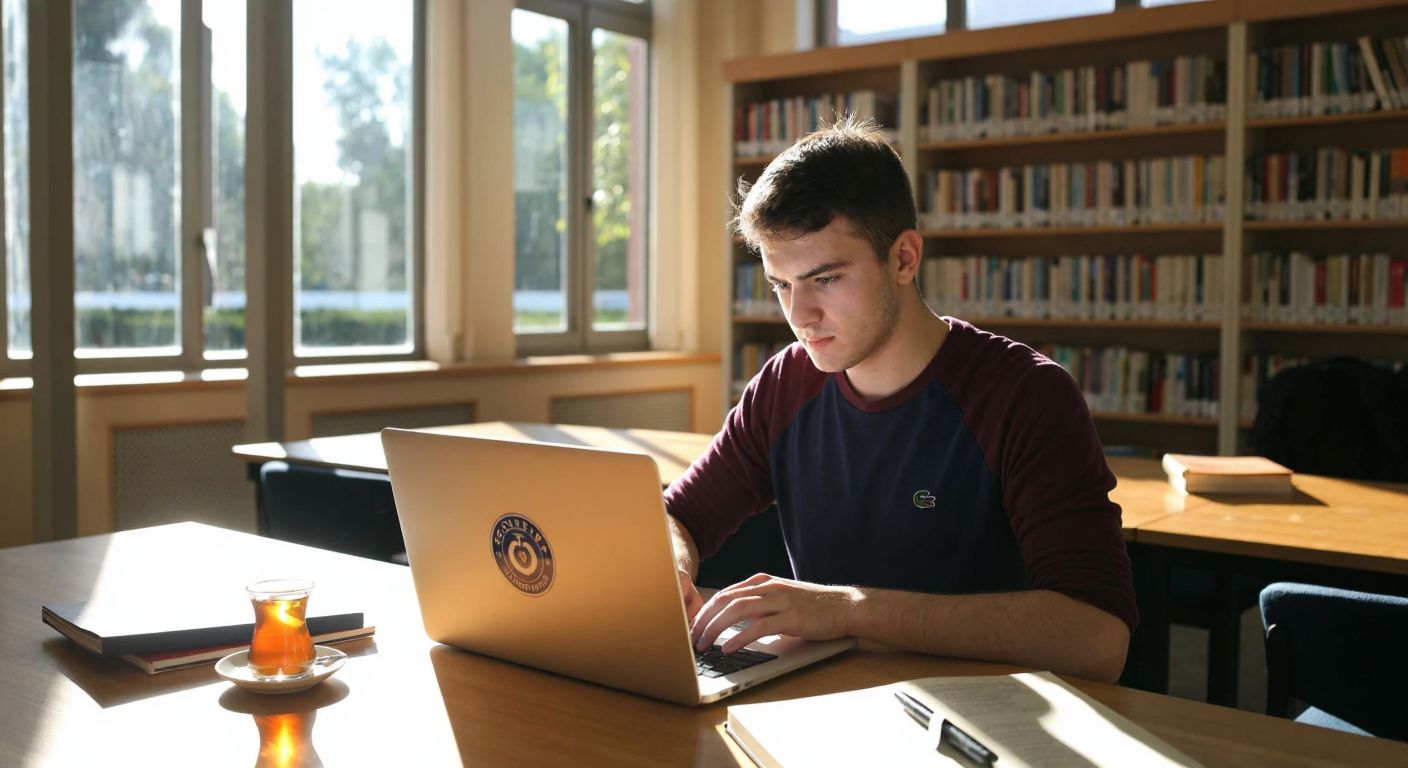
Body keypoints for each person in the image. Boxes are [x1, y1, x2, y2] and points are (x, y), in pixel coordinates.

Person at [664, 116, 1136, 683]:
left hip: (983, 720)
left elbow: (1098, 637)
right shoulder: (785, 384)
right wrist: (670, 567)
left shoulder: (1027, 395)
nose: (799, 317)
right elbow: (679, 515)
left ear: (904, 259)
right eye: (781, 285)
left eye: (826, 279)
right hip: (828, 704)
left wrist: (846, 610)